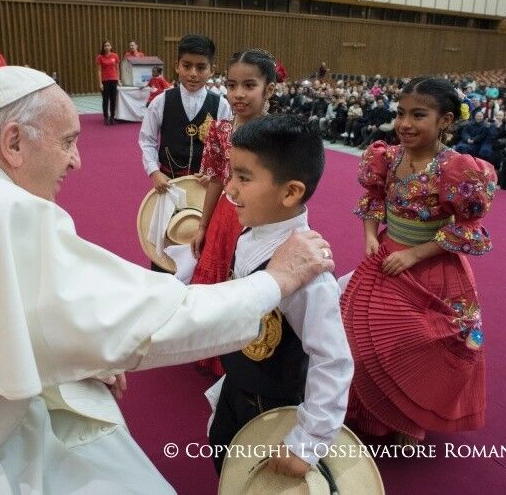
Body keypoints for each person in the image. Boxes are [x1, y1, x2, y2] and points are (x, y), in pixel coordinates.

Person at [0, 67, 336, 494]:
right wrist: (277, 279)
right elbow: (156, 320)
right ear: (13, 142)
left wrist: (77, 360)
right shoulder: (3, 212)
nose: (78, 160)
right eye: (68, 140)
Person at [340, 77, 497, 447]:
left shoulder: (458, 169)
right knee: (364, 338)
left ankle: (410, 420)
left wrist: (414, 254)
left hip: (433, 268)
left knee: (424, 348)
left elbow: (466, 226)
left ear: (445, 120)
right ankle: (373, 412)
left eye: (418, 115)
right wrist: (369, 236)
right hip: (386, 260)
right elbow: (374, 201)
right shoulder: (387, 157)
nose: (405, 124)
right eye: (401, 114)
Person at [207, 114, 353, 478]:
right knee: (225, 461)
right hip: (237, 384)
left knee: (258, 479)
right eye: (231, 174)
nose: (230, 189)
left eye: (244, 177)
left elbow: (332, 359)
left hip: (270, 404)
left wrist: (307, 440)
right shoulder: (250, 234)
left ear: (289, 192)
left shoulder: (310, 275)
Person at [189, 49, 277, 376]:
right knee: (217, 281)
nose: (238, 94)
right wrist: (202, 224)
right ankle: (212, 350)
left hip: (261, 219)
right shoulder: (221, 130)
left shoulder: (277, 134)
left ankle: (246, 350)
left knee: (248, 282)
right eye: (232, 85)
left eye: (249, 85)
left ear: (268, 89)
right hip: (224, 217)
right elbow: (214, 179)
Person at [138, 34, 232, 192]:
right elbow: (147, 140)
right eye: (187, 66)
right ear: (177, 66)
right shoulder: (160, 102)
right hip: (168, 183)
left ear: (212, 70)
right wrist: (154, 172)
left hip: (205, 187)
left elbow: (226, 147)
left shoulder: (221, 105)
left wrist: (216, 172)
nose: (193, 73)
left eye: (201, 67)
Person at [96, 40, 120, 125]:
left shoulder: (115, 56)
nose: (107, 47)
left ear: (111, 47)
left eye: (108, 45)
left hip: (114, 80)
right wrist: (100, 83)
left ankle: (112, 117)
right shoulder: (100, 57)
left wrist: (118, 80)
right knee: (105, 100)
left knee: (113, 99)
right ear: (103, 47)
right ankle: (106, 117)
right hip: (105, 80)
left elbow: (117, 69)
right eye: (105, 46)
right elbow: (99, 71)